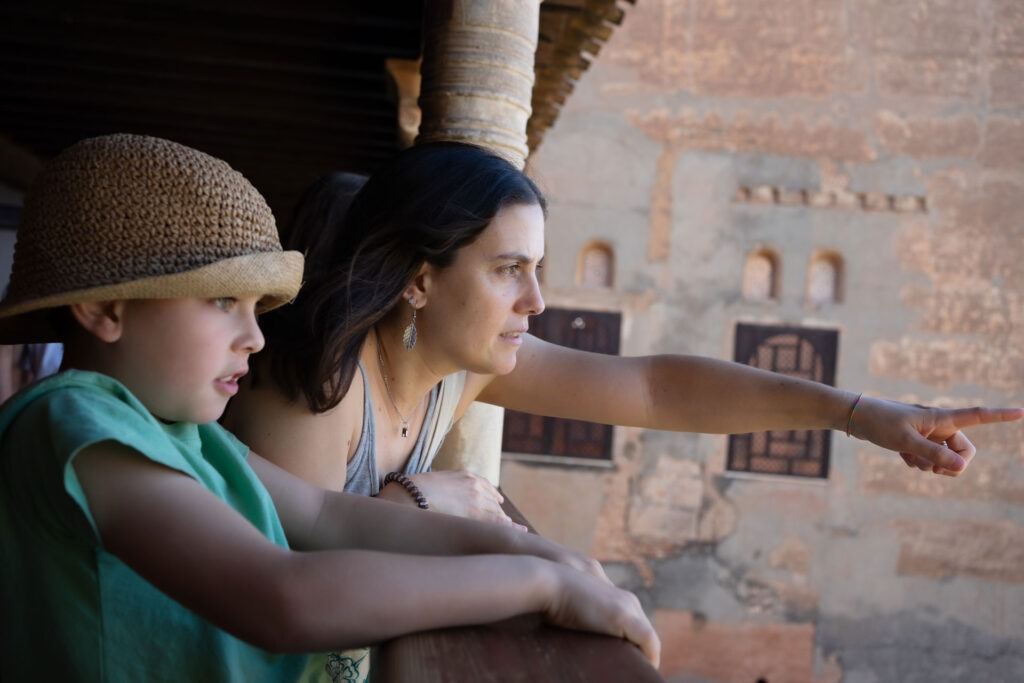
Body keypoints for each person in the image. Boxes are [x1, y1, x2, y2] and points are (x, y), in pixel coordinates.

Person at [0, 134, 661, 683]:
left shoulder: (181, 434)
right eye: (222, 301)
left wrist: (537, 553)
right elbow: (282, 595)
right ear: (106, 309)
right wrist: (540, 587)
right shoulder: (75, 426)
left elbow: (326, 514)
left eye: (256, 309)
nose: (255, 337)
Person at [224, 140, 1024, 529]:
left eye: (537, 267)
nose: (537, 299)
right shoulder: (313, 390)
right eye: (509, 270)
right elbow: (302, 589)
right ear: (422, 279)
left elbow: (655, 387)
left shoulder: (454, 368)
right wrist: (423, 499)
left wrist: (856, 413)